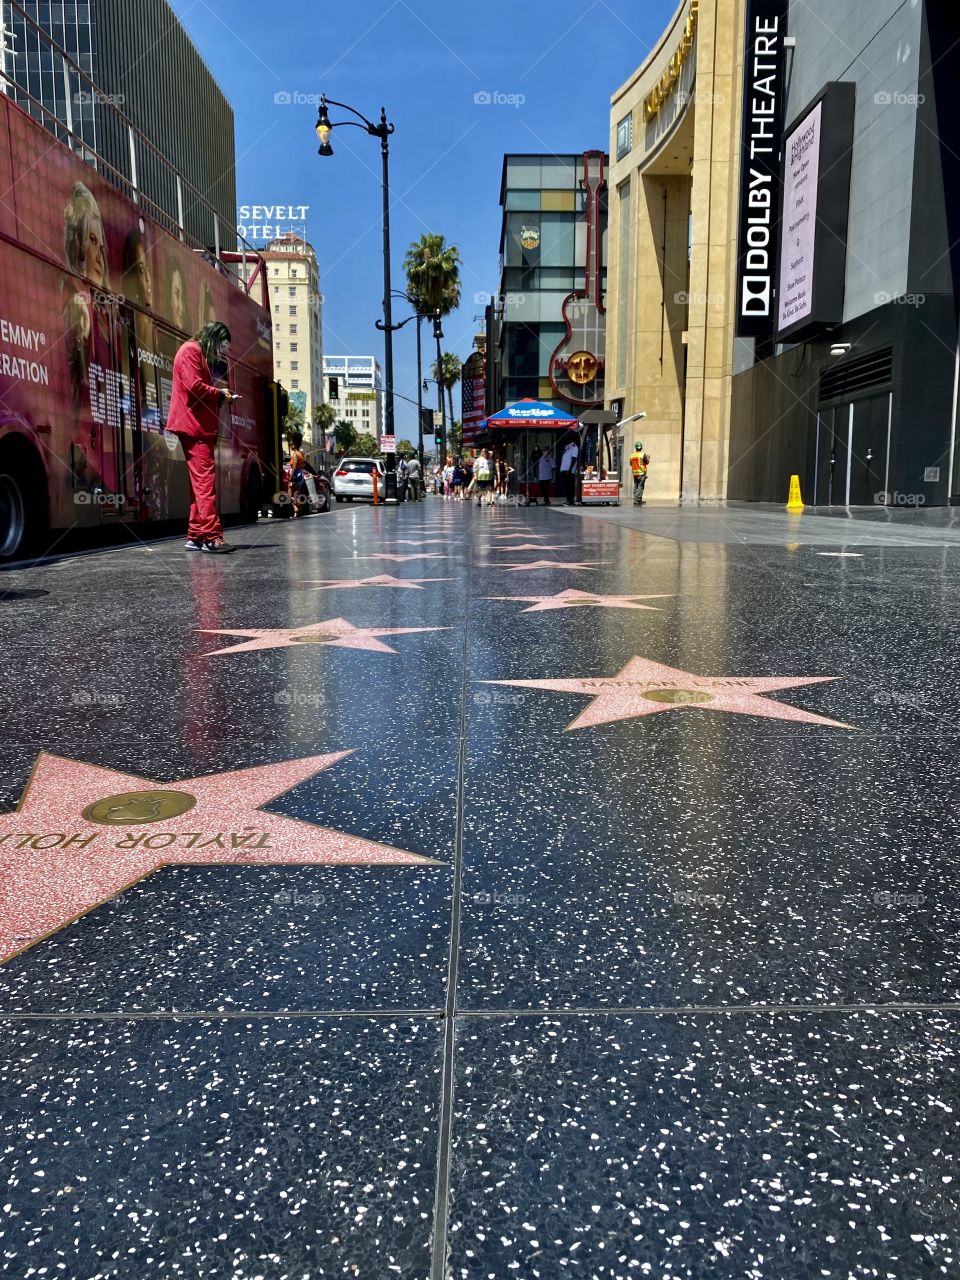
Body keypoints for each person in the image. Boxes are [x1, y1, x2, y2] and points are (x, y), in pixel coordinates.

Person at [168, 321, 239, 551]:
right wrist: (220, 394)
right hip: (194, 426)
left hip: (194, 425)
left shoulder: (192, 351)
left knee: (198, 484)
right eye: (220, 346)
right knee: (205, 483)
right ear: (211, 338)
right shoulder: (191, 351)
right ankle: (212, 537)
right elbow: (194, 386)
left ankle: (197, 534)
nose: (220, 352)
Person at [287, 431, 309, 517]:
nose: (290, 442)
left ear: (294, 442)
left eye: (292, 441)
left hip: (295, 476)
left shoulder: (295, 454)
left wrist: (290, 478)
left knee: (289, 496)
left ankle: (296, 508)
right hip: (301, 476)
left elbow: (294, 468)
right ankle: (297, 510)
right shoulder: (301, 454)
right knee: (296, 495)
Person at [560, 436, 580, 505]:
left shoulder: (574, 447)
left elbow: (574, 459)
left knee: (570, 486)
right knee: (567, 486)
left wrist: (570, 469)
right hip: (564, 469)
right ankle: (568, 499)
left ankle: (570, 500)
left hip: (569, 470)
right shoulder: (568, 447)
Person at [630, 440, 650, 505]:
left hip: (635, 473)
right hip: (641, 473)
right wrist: (648, 458)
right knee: (640, 486)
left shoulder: (632, 455)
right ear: (641, 448)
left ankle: (637, 498)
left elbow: (631, 464)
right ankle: (637, 499)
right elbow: (647, 462)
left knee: (636, 486)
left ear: (635, 448)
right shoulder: (642, 455)